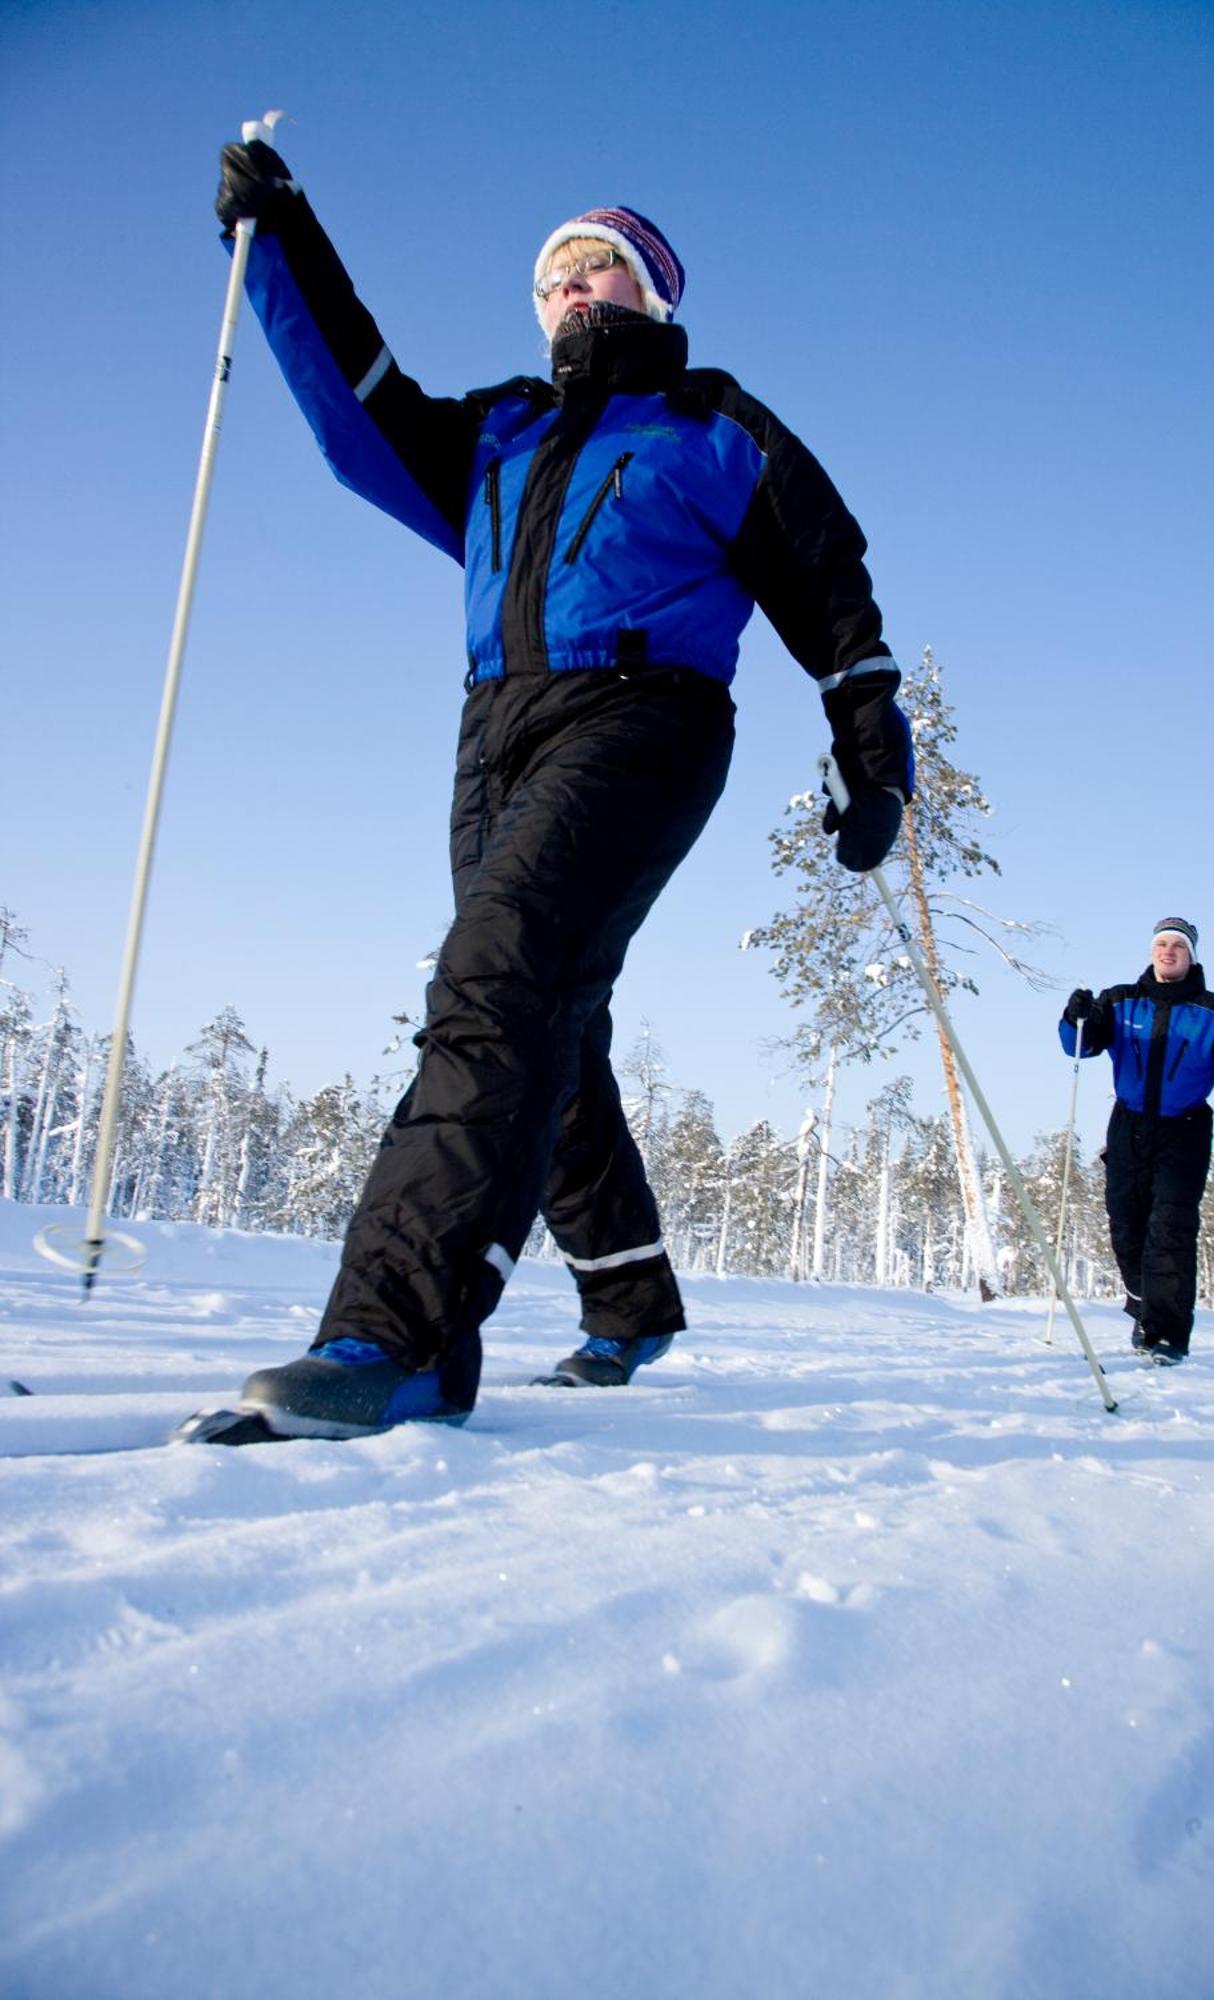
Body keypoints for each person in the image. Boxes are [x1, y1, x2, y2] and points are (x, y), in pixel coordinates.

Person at [211, 139, 915, 1436]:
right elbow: (360, 413)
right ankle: (626, 1298)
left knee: (495, 980)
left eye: (602, 268)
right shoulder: (499, 432)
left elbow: (827, 579)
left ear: (655, 293)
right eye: (552, 278)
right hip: (493, 733)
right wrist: (285, 239)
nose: (573, 290)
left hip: (646, 722)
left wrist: (874, 749)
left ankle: (396, 1335)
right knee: (548, 1015)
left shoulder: (711, 423)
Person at [1060, 918, 1214, 1364]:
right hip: (1128, 1125)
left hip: (1185, 1127)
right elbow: (1079, 1045)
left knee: (1170, 1230)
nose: (1167, 951)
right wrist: (1074, 1015)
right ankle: (1144, 1306)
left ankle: (1168, 1336)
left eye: (1177, 945)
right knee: (1126, 1228)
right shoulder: (1120, 1002)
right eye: (1161, 944)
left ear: (1191, 956)